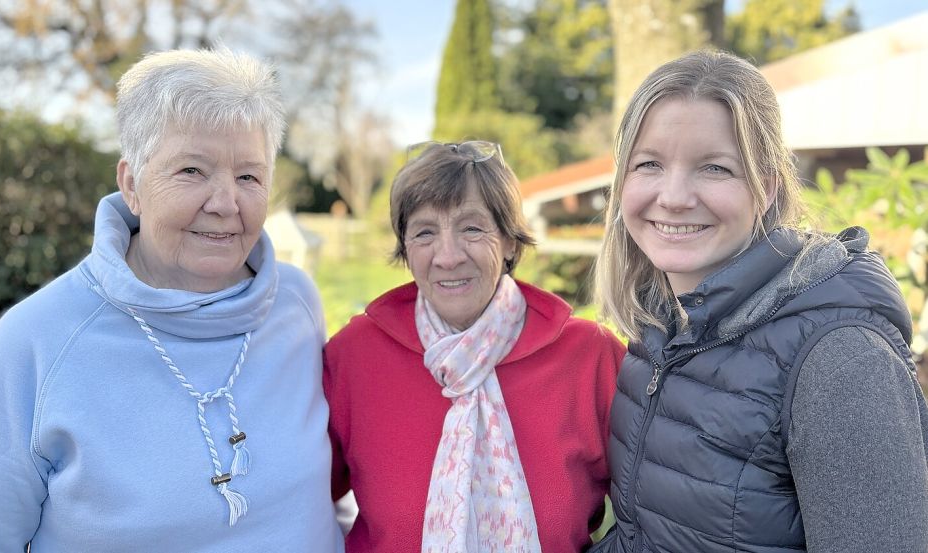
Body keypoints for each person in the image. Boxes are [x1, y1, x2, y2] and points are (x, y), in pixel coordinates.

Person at [0, 48, 344, 551]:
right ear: (132, 183)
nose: (225, 203)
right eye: (192, 171)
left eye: (249, 176)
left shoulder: (296, 303)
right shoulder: (35, 344)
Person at [591, 50, 928, 553]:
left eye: (714, 168)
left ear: (767, 187)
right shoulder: (660, 326)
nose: (675, 196)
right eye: (649, 164)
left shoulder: (840, 358)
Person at [323, 140, 625, 552]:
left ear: (510, 242)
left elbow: (654, 514)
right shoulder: (353, 357)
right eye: (425, 232)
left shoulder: (590, 357)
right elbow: (298, 501)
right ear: (405, 249)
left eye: (471, 228)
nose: (448, 256)